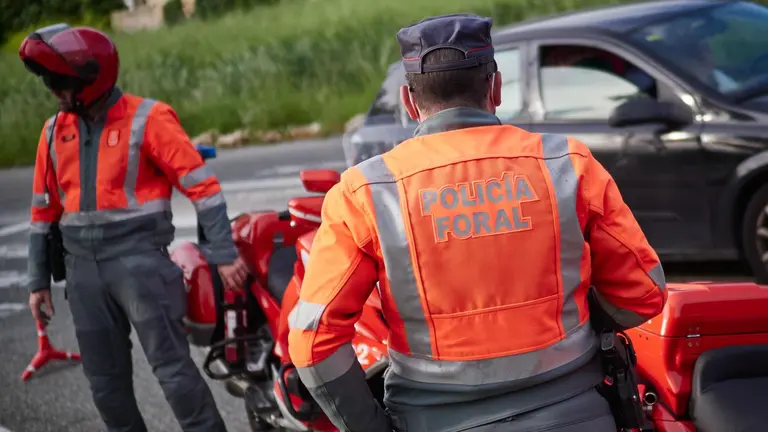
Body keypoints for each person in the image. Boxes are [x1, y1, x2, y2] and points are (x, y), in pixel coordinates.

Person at [288, 13, 668, 432]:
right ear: (496, 87)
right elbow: (644, 292)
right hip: (577, 412)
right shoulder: (567, 165)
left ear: (409, 101)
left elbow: (312, 340)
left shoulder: (365, 192)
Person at [20, 24, 248, 432]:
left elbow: (204, 190)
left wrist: (225, 254)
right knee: (105, 385)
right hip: (82, 272)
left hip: (139, 264)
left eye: (59, 81)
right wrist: (38, 281)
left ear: (90, 79)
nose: (52, 90)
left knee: (174, 372)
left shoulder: (149, 118)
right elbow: (43, 211)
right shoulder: (55, 131)